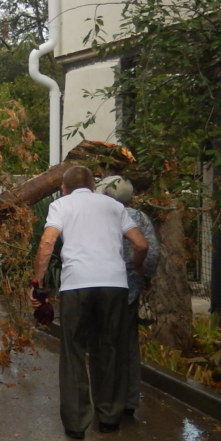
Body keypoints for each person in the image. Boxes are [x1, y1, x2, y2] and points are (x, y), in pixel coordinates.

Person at [31, 165, 147, 439]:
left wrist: (37, 284)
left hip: (77, 285)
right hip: (114, 285)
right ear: (94, 185)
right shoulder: (114, 206)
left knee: (73, 351)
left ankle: (76, 423)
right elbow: (141, 244)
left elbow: (47, 243)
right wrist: (136, 265)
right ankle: (109, 417)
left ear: (63, 188)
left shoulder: (61, 205)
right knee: (110, 348)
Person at [95, 175, 160, 417]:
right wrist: (143, 273)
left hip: (101, 287)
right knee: (128, 345)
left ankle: (105, 398)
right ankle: (129, 401)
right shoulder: (139, 217)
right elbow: (151, 253)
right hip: (130, 290)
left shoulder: (100, 217)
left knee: (103, 343)